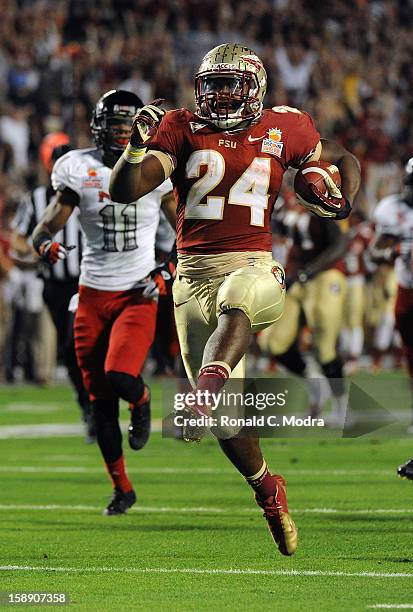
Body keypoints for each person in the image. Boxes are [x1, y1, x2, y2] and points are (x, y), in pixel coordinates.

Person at [110, 44, 360, 555]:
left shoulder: (285, 127)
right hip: (192, 275)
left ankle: (202, 392)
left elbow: (343, 158)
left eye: (231, 84)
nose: (221, 94)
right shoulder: (179, 126)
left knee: (240, 299)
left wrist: (344, 202)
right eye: (213, 84)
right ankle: (269, 490)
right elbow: (126, 190)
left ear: (256, 88)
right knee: (229, 424)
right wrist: (134, 148)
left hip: (252, 262)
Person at [32, 90, 176, 515]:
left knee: (119, 374)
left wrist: (167, 268)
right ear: (98, 126)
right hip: (92, 294)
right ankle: (122, 488)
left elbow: (188, 232)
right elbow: (47, 225)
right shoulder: (78, 168)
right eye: (112, 125)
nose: (118, 133)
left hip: (136, 293)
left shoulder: (156, 170)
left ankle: (143, 399)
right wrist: (44, 246)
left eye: (126, 126)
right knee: (99, 405)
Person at [10, 135, 94, 439]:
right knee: (71, 351)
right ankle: (88, 406)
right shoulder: (35, 199)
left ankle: (96, 405)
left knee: (80, 348)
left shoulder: (90, 191)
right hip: (55, 286)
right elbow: (19, 237)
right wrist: (38, 250)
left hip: (87, 281)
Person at [258, 198, 348, 424]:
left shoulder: (317, 201)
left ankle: (341, 407)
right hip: (294, 277)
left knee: (324, 347)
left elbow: (340, 243)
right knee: (272, 342)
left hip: (324, 275)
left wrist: (310, 270)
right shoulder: (277, 206)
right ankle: (316, 384)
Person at [371, 157, 413, 438]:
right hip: (406, 290)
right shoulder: (393, 209)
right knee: (411, 356)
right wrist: (391, 252)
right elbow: (375, 251)